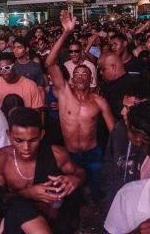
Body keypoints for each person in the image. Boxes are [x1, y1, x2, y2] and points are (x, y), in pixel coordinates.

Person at [45, 11, 115, 198]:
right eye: (77, 74)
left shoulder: (99, 101)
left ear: (91, 78)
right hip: (70, 154)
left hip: (93, 153)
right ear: (72, 78)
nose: (81, 76)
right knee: (71, 195)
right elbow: (50, 62)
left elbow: (113, 131)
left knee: (98, 192)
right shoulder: (64, 93)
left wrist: (115, 156)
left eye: (85, 74)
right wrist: (66, 33)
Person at [0, 107, 84, 233]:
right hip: (18, 225)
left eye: (33, 140)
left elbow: (80, 172)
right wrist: (28, 193)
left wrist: (75, 179)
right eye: (19, 141)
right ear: (9, 135)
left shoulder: (57, 154)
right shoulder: (0, 160)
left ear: (42, 134)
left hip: (54, 223)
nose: (26, 147)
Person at [100, 81, 150, 212]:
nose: (122, 112)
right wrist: (110, 193)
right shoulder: (118, 129)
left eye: (128, 108)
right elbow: (109, 162)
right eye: (123, 106)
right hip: (117, 200)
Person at [98, 52, 140, 120]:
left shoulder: (131, 86)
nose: (100, 73)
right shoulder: (109, 85)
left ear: (113, 67)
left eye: (103, 69)